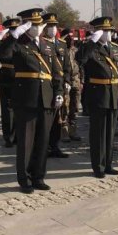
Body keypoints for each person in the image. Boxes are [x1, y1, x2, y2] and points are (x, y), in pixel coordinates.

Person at [0, 9, 63, 192]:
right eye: (32, 25)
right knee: (26, 143)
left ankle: (38, 176)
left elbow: (56, 72)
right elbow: (2, 54)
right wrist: (14, 36)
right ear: (26, 26)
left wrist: (58, 91)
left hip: (47, 99)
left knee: (42, 141)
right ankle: (24, 179)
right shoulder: (18, 43)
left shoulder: (47, 45)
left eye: (38, 24)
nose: (37, 28)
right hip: (26, 99)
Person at [77, 17, 118, 178]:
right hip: (98, 95)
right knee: (98, 133)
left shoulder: (115, 48)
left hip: (113, 94)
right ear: (98, 32)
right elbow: (80, 60)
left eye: (109, 30)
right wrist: (92, 42)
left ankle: (108, 164)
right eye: (105, 31)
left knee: (110, 132)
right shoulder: (90, 48)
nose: (108, 33)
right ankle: (98, 166)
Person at [41, 13, 70, 159]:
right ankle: (44, 147)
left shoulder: (62, 44)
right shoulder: (42, 43)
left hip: (60, 85)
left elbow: (67, 66)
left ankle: (55, 146)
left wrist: (67, 81)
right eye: (50, 26)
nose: (53, 28)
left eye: (54, 26)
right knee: (47, 117)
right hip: (47, 84)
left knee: (59, 117)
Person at [0, 18, 20, 147]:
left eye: (15, 29)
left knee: (20, 108)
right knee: (8, 110)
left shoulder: (23, 41)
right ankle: (9, 137)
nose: (13, 32)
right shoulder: (4, 42)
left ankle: (18, 135)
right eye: (11, 29)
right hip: (7, 77)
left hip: (22, 77)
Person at [60, 29, 82, 142]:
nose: (71, 39)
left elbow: (81, 66)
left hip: (76, 81)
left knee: (75, 106)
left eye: (72, 37)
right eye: (68, 37)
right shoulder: (60, 50)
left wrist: (82, 81)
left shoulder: (76, 51)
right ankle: (64, 130)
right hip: (65, 81)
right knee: (65, 106)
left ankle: (73, 130)